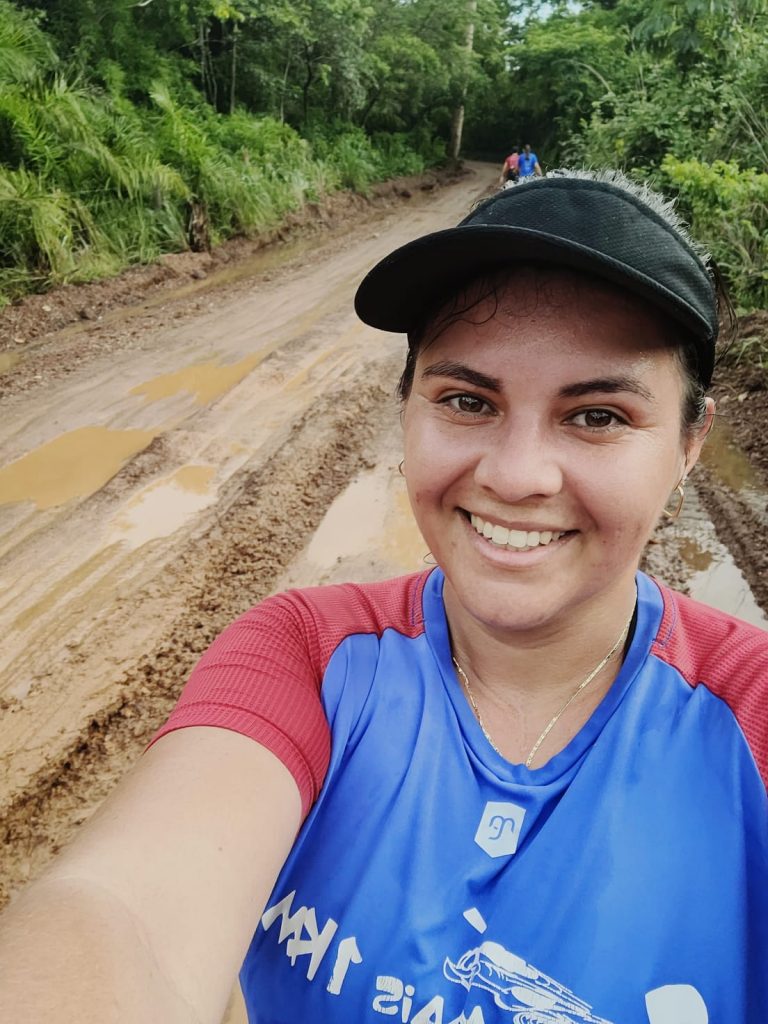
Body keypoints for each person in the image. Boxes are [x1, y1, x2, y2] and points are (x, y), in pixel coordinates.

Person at [1, 170, 767, 1024]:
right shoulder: (303, 657)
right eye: (468, 401)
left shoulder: (751, 714)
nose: (514, 475)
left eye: (597, 417)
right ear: (407, 411)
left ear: (692, 444)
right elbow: (121, 915)